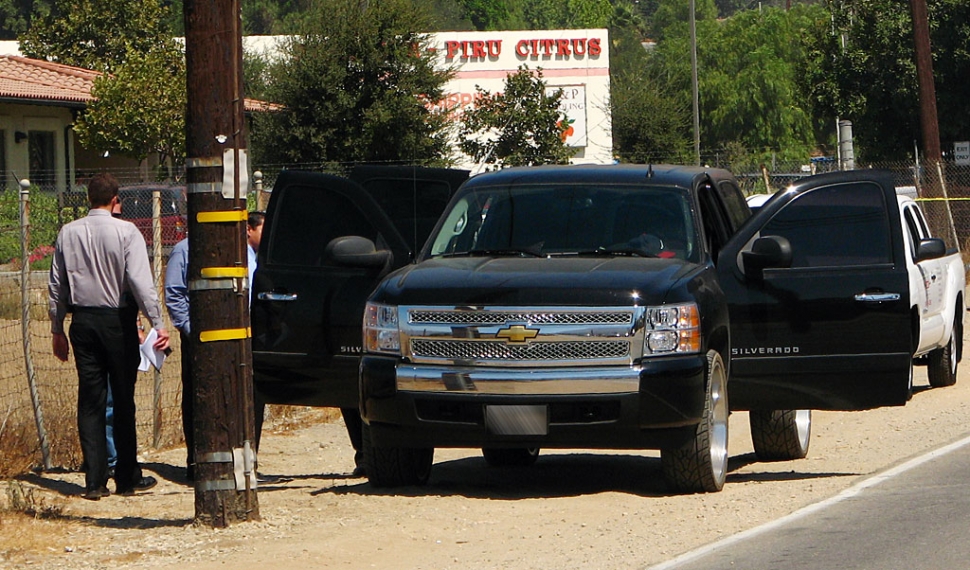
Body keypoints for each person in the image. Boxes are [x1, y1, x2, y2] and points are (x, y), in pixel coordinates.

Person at [49, 172, 170, 500]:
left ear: (88, 198)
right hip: (117, 320)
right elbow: (139, 282)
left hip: (83, 322)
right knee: (123, 397)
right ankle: (128, 477)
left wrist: (56, 328)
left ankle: (94, 480)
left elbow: (57, 286)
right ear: (116, 199)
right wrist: (157, 322)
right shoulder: (126, 232)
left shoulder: (68, 232)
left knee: (90, 400)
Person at [163, 237, 193, 481]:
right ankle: (196, 459)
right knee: (195, 395)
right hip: (197, 336)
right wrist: (188, 326)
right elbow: (174, 292)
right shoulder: (183, 250)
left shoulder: (236, 246)